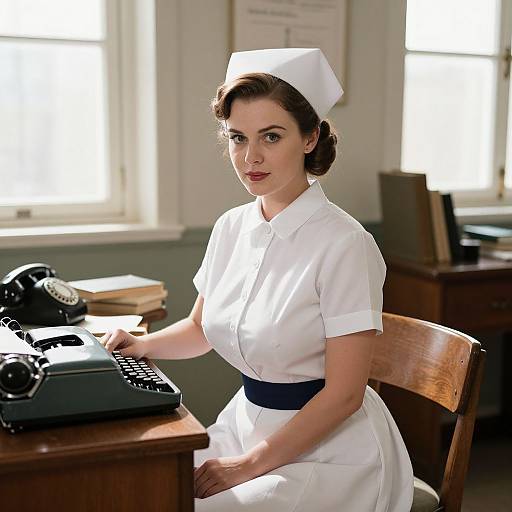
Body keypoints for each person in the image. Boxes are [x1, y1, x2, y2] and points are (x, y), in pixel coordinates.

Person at [101, 48, 414, 511]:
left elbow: (345, 395)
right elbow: (201, 329)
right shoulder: (231, 227)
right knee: (147, 489)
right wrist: (142, 345)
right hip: (246, 424)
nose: (251, 157)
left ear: (309, 138)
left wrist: (247, 466)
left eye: (271, 136)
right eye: (237, 138)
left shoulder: (346, 244)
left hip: (330, 450)